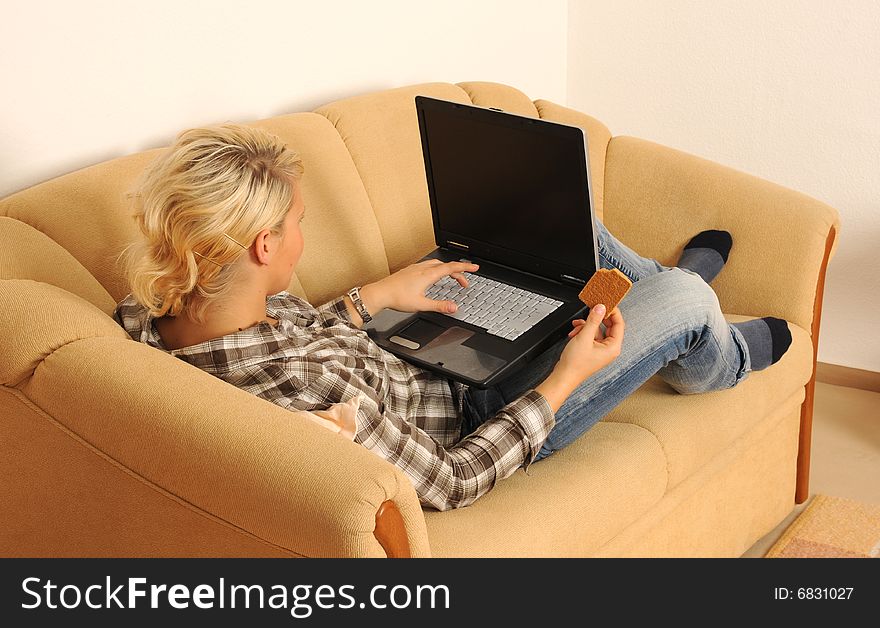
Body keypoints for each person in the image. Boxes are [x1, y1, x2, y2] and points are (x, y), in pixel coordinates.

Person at [114, 123, 792, 511]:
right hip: (492, 408)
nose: (302, 234)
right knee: (689, 303)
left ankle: (652, 289)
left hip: (411, 355)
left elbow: (293, 345)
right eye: (297, 224)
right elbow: (453, 479)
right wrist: (562, 380)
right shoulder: (309, 402)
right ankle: (710, 339)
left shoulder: (162, 315)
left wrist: (376, 295)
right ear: (265, 246)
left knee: (549, 223)